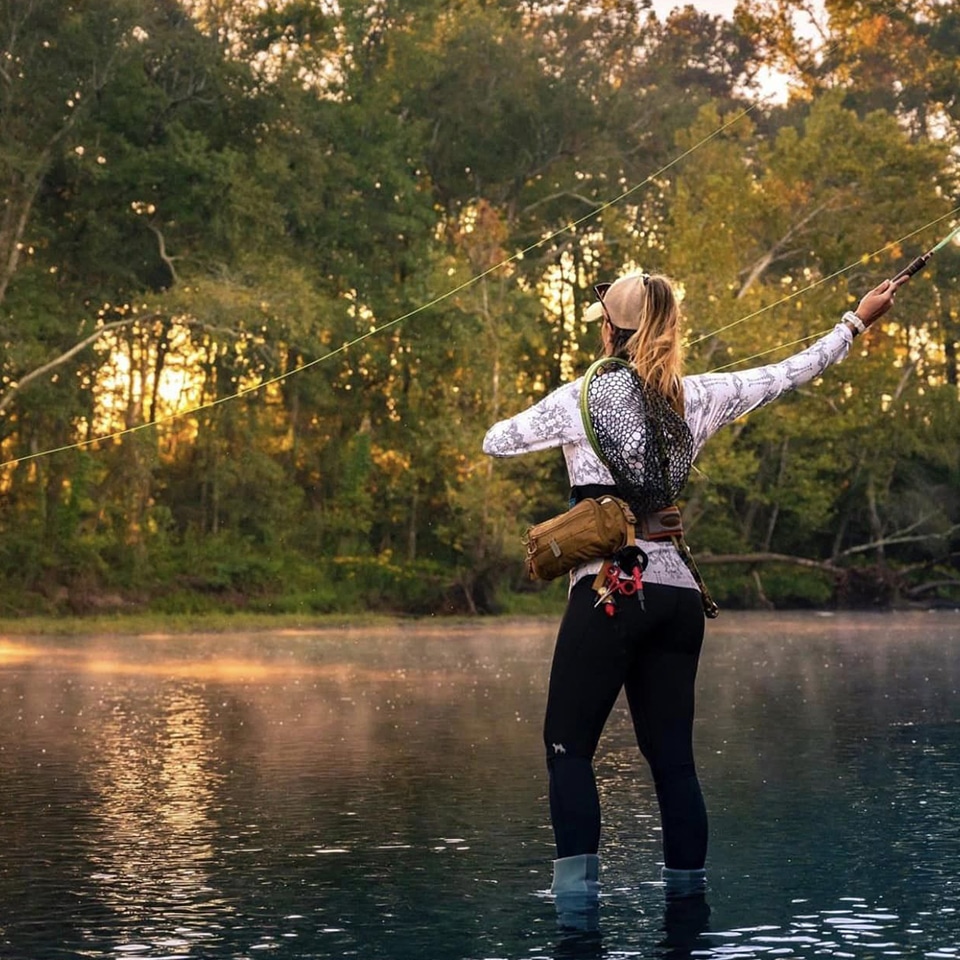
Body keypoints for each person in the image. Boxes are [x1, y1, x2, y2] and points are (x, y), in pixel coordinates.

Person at [481, 270, 905, 923]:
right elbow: (795, 370)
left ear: (609, 330)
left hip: (609, 593)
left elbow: (498, 440)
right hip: (677, 594)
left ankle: (576, 919)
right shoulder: (701, 395)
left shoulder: (579, 398)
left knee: (568, 750)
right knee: (674, 764)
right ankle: (688, 913)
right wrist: (858, 320)